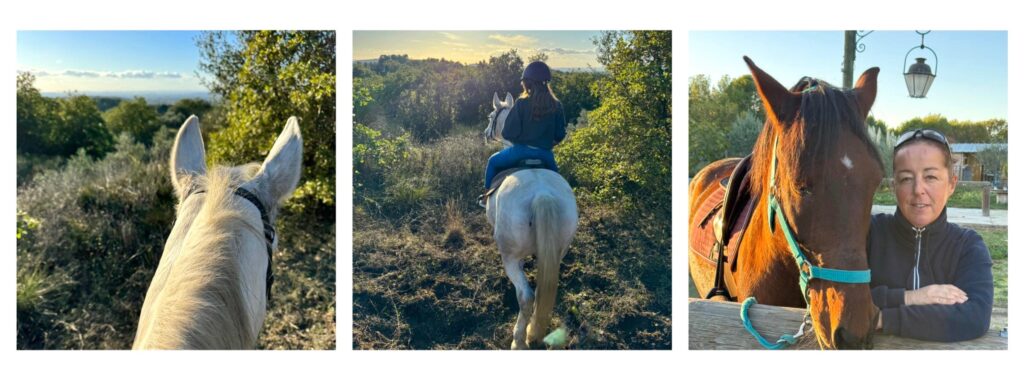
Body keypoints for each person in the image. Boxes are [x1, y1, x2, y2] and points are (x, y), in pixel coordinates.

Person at [868, 129, 994, 342]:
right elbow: (842, 298)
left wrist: (881, 318)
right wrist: (914, 297)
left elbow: (975, 317)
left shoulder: (968, 246)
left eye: (931, 177)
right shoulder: (869, 233)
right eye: (906, 178)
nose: (918, 189)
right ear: (893, 186)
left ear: (952, 184)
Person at [478, 61, 566, 207]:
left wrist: (521, 140)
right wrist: (545, 144)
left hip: (520, 152)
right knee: (560, 184)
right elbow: (560, 135)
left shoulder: (521, 103)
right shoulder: (557, 105)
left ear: (527, 83)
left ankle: (486, 198)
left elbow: (507, 133)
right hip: (545, 154)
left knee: (492, 162)